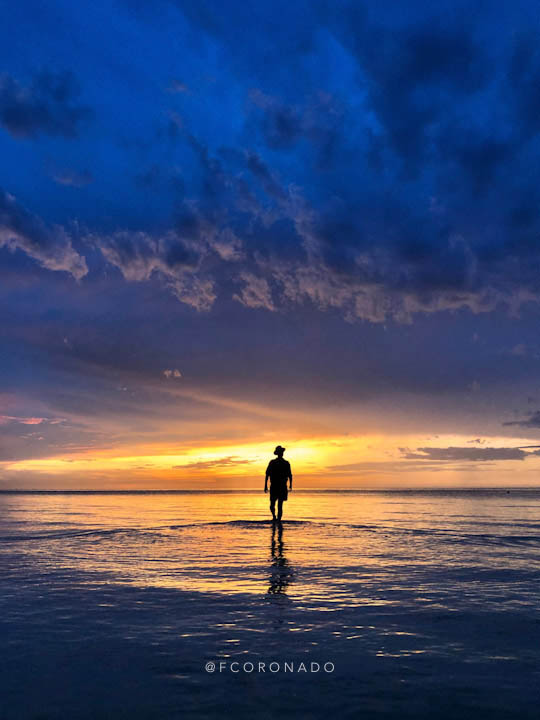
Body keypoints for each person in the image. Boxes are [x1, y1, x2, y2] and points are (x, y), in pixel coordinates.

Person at [264, 445, 292, 522]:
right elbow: (267, 474)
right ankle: (275, 517)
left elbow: (290, 475)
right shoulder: (272, 462)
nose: (281, 453)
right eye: (280, 452)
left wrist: (290, 485)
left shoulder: (286, 463)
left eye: (282, 452)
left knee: (279, 505)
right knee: (273, 505)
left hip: (281, 486)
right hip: (275, 486)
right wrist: (265, 486)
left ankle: (278, 520)